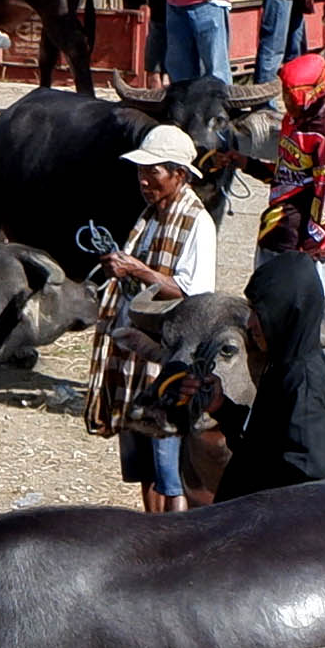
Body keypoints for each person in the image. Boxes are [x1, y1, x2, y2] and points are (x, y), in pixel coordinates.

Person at [95, 131, 228, 509]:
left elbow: (193, 296)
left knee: (171, 470)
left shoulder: (196, 224)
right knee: (145, 467)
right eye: (140, 171)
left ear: (179, 176)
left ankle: (175, 540)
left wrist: (138, 269)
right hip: (136, 358)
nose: (143, 180)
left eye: (153, 172)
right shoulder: (150, 217)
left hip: (168, 359)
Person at [226, 167, 325, 501]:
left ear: (286, 316)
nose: (251, 324)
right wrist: (223, 410)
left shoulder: (303, 382)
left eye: (261, 313)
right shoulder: (283, 366)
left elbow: (310, 482)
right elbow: (263, 446)